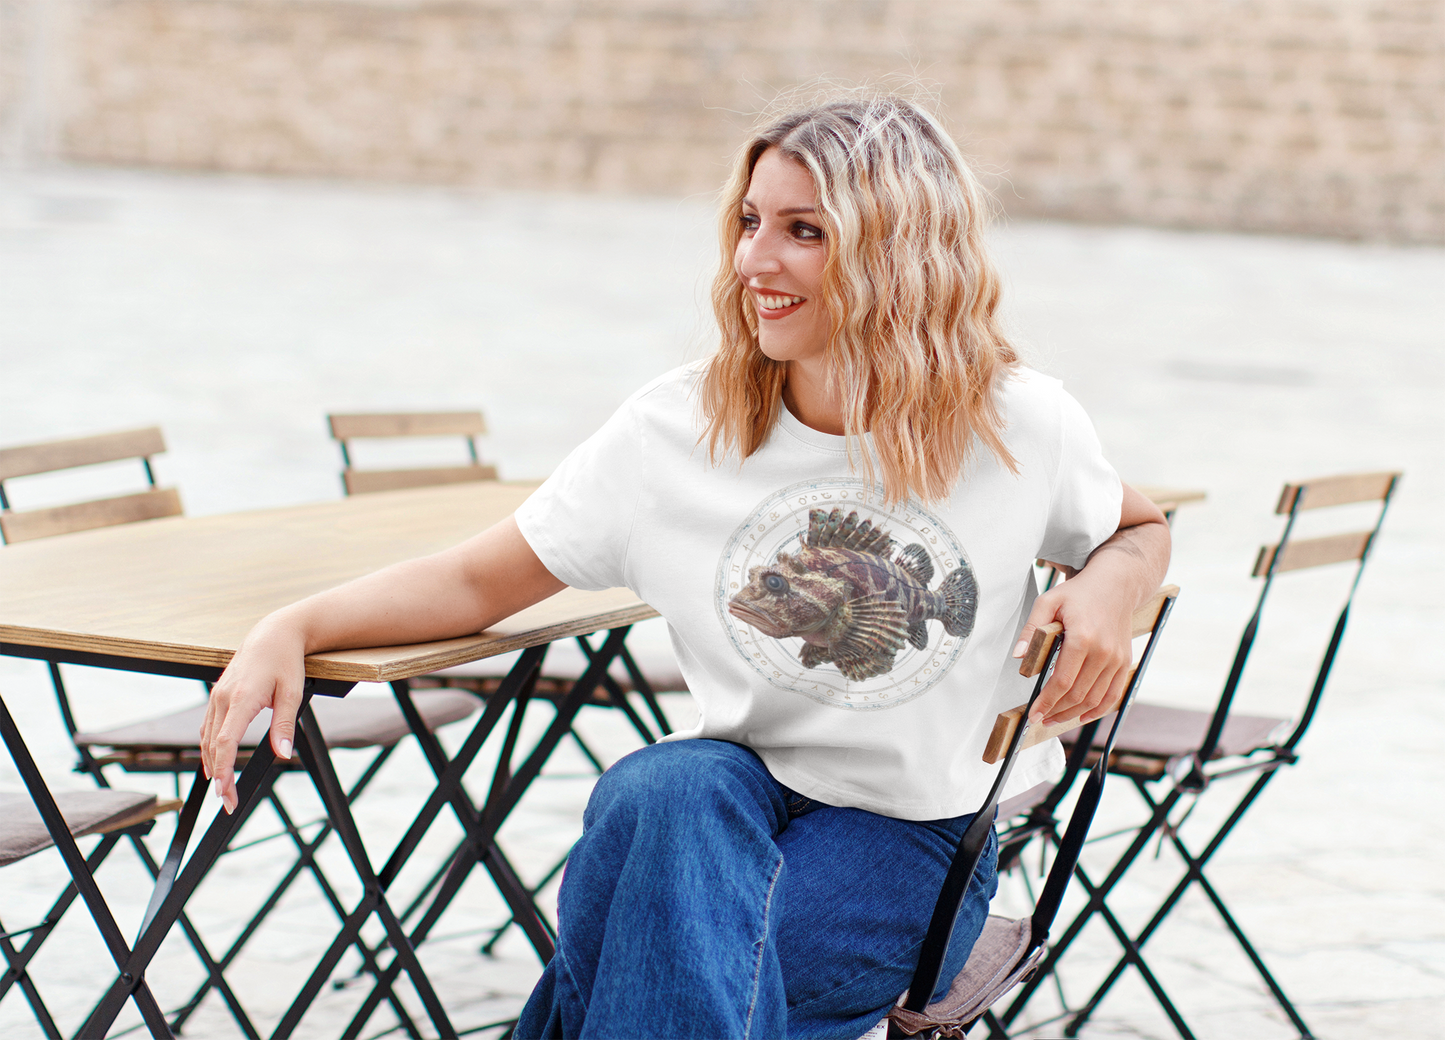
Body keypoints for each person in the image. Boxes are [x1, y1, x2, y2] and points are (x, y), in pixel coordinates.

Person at [201, 93, 1169, 1040]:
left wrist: (1106, 589)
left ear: (897, 250)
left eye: (804, 230)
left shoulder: (1015, 422)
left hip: (906, 838)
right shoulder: (676, 426)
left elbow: (1138, 526)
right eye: (748, 221)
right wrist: (294, 623)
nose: (753, 258)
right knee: (666, 782)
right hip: (718, 817)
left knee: (650, 950)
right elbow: (475, 582)